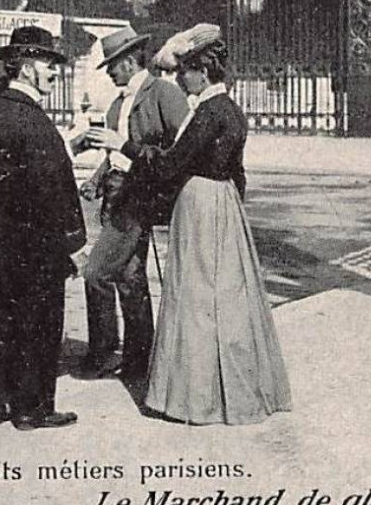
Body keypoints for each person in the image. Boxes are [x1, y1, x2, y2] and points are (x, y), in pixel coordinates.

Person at [101, 23, 291, 425]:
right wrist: (231, 210)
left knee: (196, 297)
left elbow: (170, 165)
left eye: (185, 70)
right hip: (224, 205)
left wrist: (125, 147)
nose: (179, 77)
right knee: (226, 297)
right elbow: (238, 174)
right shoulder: (232, 111)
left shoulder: (207, 112)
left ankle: (195, 396)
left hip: (201, 205)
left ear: (203, 73)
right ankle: (232, 389)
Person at [0, 26, 87, 430]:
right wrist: (70, 242)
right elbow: (48, 188)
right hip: (39, 242)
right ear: (25, 68)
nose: (53, 71)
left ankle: (0, 401)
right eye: (47, 63)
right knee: (40, 325)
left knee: (9, 318)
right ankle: (32, 408)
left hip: (10, 241)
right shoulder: (30, 118)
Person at [72, 25, 190, 386]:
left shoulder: (164, 94)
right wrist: (96, 177)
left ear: (128, 61)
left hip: (138, 199)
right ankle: (141, 359)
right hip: (115, 193)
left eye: (112, 65)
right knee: (129, 278)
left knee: (95, 272)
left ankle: (104, 353)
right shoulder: (117, 105)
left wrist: (159, 188)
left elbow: (180, 152)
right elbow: (116, 155)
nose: (109, 71)